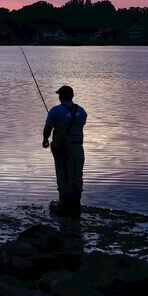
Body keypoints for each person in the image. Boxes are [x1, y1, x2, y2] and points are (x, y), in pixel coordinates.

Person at [41, 85, 87, 215]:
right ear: (72, 96)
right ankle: (76, 205)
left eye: (59, 95)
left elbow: (48, 128)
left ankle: (64, 206)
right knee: (77, 176)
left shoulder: (55, 111)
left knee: (64, 176)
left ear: (61, 97)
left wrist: (45, 140)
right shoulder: (82, 111)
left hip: (62, 148)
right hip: (78, 148)